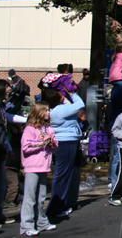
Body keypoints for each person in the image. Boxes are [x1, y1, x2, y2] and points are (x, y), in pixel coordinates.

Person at [42, 86, 84, 218]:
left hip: (61, 141)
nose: (63, 97)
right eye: (61, 95)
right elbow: (80, 105)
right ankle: (56, 208)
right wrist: (72, 93)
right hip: (66, 142)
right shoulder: (60, 110)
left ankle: (63, 203)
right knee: (62, 175)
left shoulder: (52, 110)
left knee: (64, 174)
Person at [20, 102, 57, 236]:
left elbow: (54, 145)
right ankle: (26, 225)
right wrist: (42, 142)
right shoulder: (30, 129)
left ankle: (41, 222)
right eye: (45, 110)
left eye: (48, 110)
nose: (48, 113)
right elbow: (26, 146)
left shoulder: (48, 129)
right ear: (38, 113)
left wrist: (52, 142)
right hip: (32, 167)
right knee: (30, 197)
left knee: (41, 197)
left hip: (44, 166)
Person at [0, 80, 12, 229]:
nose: (9, 90)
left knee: (1, 186)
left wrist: (9, 148)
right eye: (7, 87)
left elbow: (6, 123)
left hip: (1, 149)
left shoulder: (1, 106)